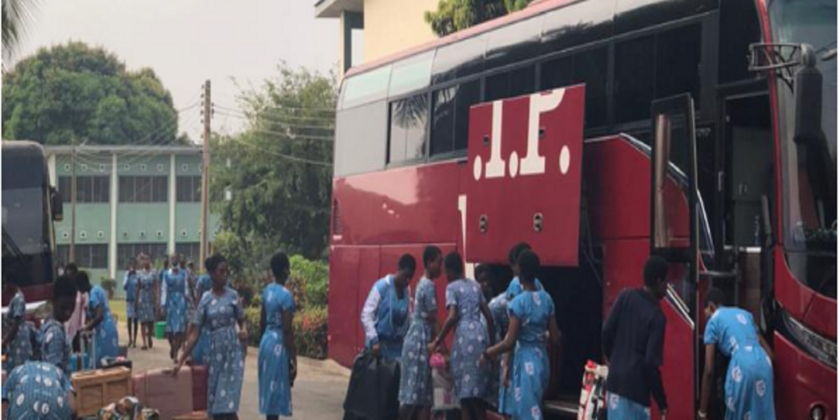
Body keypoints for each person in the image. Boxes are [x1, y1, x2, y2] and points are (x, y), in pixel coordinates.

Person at [483, 250, 560, 420]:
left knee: (526, 413)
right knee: (534, 409)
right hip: (542, 360)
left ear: (520, 271)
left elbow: (510, 342)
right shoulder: (547, 299)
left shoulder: (518, 303)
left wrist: (488, 353)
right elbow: (555, 337)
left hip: (524, 360)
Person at [175, 254, 248, 420]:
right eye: (221, 271)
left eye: (226, 271)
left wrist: (243, 330)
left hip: (233, 354)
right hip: (215, 355)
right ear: (212, 274)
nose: (225, 274)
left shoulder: (233, 296)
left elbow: (242, 320)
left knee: (228, 403)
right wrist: (180, 360)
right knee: (216, 405)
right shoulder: (206, 300)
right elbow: (195, 333)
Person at [428, 252, 495, 420]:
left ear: (450, 270)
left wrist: (437, 341)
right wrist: (491, 347)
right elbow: (489, 317)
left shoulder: (452, 287)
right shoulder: (475, 286)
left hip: (463, 341)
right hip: (480, 338)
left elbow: (451, 317)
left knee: (464, 397)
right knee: (477, 397)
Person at [602, 256, 669, 420]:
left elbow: (606, 330)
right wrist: (662, 402)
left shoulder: (626, 295)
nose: (667, 287)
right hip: (636, 392)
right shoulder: (657, 317)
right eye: (666, 282)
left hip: (614, 385)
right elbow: (650, 364)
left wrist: (613, 359)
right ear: (659, 281)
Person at [699, 288, 775, 420]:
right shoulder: (745, 314)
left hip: (741, 365)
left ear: (711, 306)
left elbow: (709, 369)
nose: (707, 319)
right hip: (764, 362)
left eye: (706, 315)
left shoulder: (713, 321)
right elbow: (771, 355)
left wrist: (702, 412)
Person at [398, 246, 443, 420]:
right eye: (439, 263)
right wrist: (442, 345)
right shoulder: (429, 285)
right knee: (415, 395)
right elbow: (434, 318)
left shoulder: (422, 282)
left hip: (416, 338)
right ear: (430, 262)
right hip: (419, 341)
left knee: (420, 395)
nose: (441, 268)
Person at [258, 252, 297, 419]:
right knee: (277, 392)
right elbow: (287, 330)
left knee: (269, 390)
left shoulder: (267, 291)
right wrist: (293, 358)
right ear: (285, 271)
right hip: (279, 345)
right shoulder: (286, 296)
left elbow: (262, 321)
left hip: (266, 342)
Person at [360, 254, 417, 360]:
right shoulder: (382, 287)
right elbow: (367, 315)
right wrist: (374, 340)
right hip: (378, 349)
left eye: (410, 278)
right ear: (399, 269)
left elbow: (408, 315)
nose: (408, 281)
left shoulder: (406, 290)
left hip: (397, 349)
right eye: (405, 276)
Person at [475, 265, 507, 411]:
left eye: (487, 280)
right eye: (481, 281)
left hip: (494, 349)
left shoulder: (496, 302)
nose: (485, 284)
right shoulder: (477, 300)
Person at [3, 361, 76, 419]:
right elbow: (73, 407)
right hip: (55, 406)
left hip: (25, 406)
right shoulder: (58, 372)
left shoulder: (16, 372)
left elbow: (3, 403)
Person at [41, 274, 78, 375]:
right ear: (53, 300)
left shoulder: (48, 321)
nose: (68, 312)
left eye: (72, 307)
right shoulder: (56, 332)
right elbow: (55, 374)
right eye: (64, 307)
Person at [80, 271, 119, 368]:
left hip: (104, 331)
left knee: (100, 362)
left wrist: (86, 328)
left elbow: (99, 315)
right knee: (109, 362)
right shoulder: (97, 289)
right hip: (110, 327)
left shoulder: (93, 294)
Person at [2, 276, 32, 371]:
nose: (4, 287)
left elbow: (15, 324)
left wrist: (4, 342)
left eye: (5, 284)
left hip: (19, 342)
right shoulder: (15, 299)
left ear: (11, 284)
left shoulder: (19, 299)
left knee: (18, 369)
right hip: (14, 341)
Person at [163, 256, 189, 363]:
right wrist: (162, 303)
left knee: (178, 330)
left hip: (181, 302)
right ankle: (173, 347)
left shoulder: (183, 273)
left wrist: (187, 298)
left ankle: (175, 355)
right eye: (172, 260)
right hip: (170, 301)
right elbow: (163, 289)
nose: (174, 261)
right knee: (169, 331)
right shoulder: (166, 274)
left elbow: (186, 287)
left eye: (176, 260)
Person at [135, 254, 159, 350]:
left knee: (150, 320)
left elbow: (156, 286)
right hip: (142, 298)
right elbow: (138, 287)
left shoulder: (154, 273)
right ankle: (144, 342)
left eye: (147, 260)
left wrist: (157, 299)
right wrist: (136, 301)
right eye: (144, 260)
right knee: (143, 321)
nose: (146, 262)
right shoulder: (140, 273)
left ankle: (149, 336)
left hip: (150, 298)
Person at [190, 271, 213, 365]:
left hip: (202, 311)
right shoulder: (224, 281)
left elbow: (198, 295)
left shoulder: (202, 279)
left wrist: (197, 307)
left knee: (193, 330)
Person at [123, 260, 139, 348]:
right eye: (131, 265)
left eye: (134, 265)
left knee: (135, 320)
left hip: (136, 300)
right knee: (129, 319)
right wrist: (128, 276)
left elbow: (139, 286)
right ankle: (130, 339)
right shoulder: (126, 274)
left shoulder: (138, 275)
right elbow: (124, 286)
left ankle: (135, 340)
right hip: (129, 300)